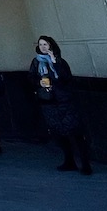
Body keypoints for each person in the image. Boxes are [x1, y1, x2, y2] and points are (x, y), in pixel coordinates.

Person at [29, 35, 92, 175]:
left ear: (51, 46)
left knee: (75, 132)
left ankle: (85, 163)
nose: (43, 47)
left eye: (45, 44)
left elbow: (66, 78)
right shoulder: (36, 62)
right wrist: (39, 83)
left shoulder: (59, 61)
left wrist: (54, 62)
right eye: (40, 44)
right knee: (59, 134)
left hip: (64, 101)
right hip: (48, 102)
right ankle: (69, 160)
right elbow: (31, 78)